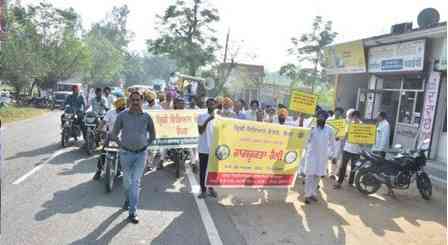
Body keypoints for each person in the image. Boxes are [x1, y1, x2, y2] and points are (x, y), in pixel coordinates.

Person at [111, 91, 156, 224]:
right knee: (126, 182)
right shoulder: (122, 116)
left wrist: (146, 145)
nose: (136, 102)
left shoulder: (147, 116)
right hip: (126, 154)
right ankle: (128, 199)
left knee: (135, 182)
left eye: (138, 100)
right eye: (133, 100)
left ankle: (133, 211)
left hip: (141, 154)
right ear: (129, 101)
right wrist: (121, 145)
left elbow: (153, 134)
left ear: (142, 101)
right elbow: (114, 133)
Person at [303, 110, 335, 204]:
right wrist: (306, 150)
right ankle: (307, 195)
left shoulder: (329, 129)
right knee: (309, 176)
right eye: (319, 117)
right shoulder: (312, 128)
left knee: (317, 175)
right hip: (312, 156)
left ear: (325, 119)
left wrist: (331, 154)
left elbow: (332, 143)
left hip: (322, 157)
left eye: (323, 117)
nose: (321, 119)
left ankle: (313, 193)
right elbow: (306, 141)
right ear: (317, 118)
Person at [93, 97, 127, 180]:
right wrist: (99, 129)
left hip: (124, 137)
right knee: (103, 152)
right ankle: (98, 171)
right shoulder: (110, 113)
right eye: (121, 106)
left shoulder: (128, 113)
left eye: (123, 106)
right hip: (111, 136)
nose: (123, 107)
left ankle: (126, 171)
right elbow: (103, 122)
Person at [334, 110, 362, 189]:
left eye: (356, 117)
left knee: (354, 167)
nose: (354, 119)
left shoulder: (362, 126)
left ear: (358, 117)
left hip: (357, 151)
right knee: (343, 166)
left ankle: (351, 182)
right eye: (353, 117)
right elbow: (345, 135)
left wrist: (362, 142)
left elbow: (364, 138)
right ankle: (339, 182)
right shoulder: (349, 124)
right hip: (347, 149)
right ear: (352, 117)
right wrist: (339, 137)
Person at [197, 98, 218, 199]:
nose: (211, 106)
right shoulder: (201, 116)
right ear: (206, 105)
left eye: (212, 104)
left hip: (214, 149)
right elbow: (200, 131)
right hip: (203, 148)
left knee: (213, 170)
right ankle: (203, 190)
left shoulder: (218, 118)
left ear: (215, 105)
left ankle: (211, 188)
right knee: (203, 170)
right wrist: (208, 120)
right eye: (209, 104)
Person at [329, 107, 345, 180]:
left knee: (334, 159)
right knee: (325, 157)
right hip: (328, 141)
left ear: (341, 114)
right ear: (334, 112)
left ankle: (332, 173)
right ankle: (322, 172)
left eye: (339, 113)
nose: (337, 114)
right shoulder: (329, 120)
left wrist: (340, 137)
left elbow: (344, 133)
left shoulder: (342, 122)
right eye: (336, 112)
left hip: (337, 142)